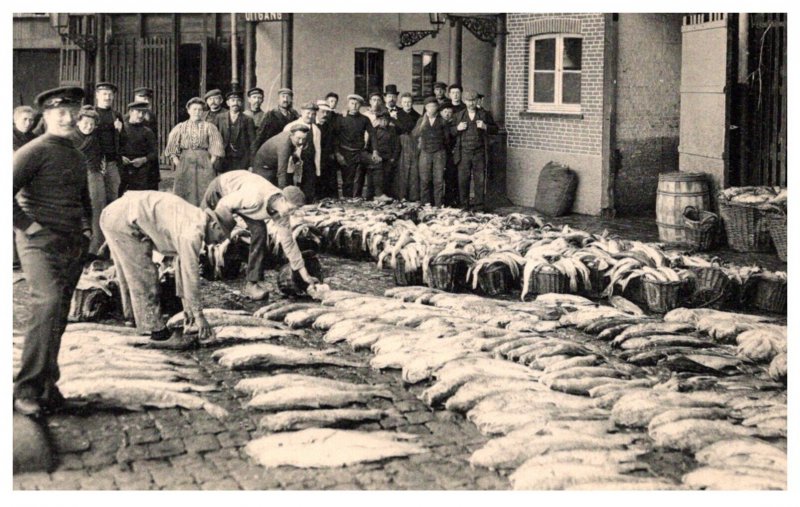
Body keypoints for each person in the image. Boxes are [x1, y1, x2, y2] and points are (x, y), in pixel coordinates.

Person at [13, 86, 92, 416]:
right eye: (59, 112)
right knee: (45, 305)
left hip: (71, 242)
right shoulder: (33, 150)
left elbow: (84, 198)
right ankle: (26, 389)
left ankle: (47, 384)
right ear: (44, 117)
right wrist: (30, 228)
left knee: (59, 312)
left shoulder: (74, 152)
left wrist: (87, 230)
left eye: (72, 110)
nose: (67, 117)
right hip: (38, 243)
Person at [100, 191, 233, 349]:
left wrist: (188, 310)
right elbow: (191, 275)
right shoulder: (192, 233)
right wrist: (199, 315)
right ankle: (157, 334)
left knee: (129, 272)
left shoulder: (195, 216)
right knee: (143, 276)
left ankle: (132, 320)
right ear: (214, 225)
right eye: (221, 236)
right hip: (122, 220)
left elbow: (181, 267)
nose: (219, 242)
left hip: (118, 212)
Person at [201, 171, 319, 300]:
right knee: (204, 228)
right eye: (291, 209)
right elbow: (225, 203)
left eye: (295, 210)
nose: (292, 213)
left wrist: (305, 274)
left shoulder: (282, 214)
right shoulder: (255, 197)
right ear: (282, 199)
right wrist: (223, 231)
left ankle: (252, 284)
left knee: (260, 232)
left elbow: (289, 243)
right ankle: (194, 267)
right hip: (221, 189)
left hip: (242, 203)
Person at [164, 97, 225, 206]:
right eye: (194, 109)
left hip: (204, 160)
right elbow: (172, 146)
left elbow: (216, 145)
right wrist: (177, 162)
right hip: (185, 160)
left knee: (205, 187)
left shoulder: (209, 127)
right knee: (184, 188)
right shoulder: (181, 127)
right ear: (188, 111)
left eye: (200, 110)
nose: (197, 112)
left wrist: (211, 162)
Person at [451, 90, 498, 210]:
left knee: (479, 180)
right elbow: (450, 132)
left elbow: (495, 129)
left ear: (477, 101)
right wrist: (457, 128)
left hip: (479, 152)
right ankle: (464, 206)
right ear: (464, 101)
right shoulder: (459, 115)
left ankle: (479, 207)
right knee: (463, 180)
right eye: (468, 101)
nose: (471, 103)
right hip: (464, 153)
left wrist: (485, 126)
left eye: (473, 100)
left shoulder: (484, 114)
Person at [69, 106, 106, 255]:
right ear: (78, 122)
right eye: (85, 123)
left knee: (97, 210)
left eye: (92, 124)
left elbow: (101, 156)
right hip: (74, 177)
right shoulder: (69, 137)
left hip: (94, 175)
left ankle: (95, 250)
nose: (88, 127)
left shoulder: (95, 138)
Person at [13, 105, 40, 270]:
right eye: (24, 119)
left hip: (27, 181)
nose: (28, 123)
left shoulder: (32, 137)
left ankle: (22, 257)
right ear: (15, 120)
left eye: (31, 120)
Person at [252, 124, 312, 192]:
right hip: (264, 169)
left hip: (273, 165)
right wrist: (283, 193)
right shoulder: (284, 146)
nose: (301, 142)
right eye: (298, 138)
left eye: (303, 139)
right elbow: (281, 172)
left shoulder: (291, 136)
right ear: (291, 136)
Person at [412, 97, 450, 206]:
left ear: (437, 107)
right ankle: (425, 204)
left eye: (434, 106)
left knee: (438, 180)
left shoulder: (442, 121)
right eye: (429, 106)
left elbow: (447, 138)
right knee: (424, 179)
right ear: (425, 107)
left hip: (439, 153)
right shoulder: (421, 120)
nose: (431, 109)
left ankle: (438, 204)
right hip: (425, 152)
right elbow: (414, 134)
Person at [333, 94, 372, 197]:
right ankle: (347, 200)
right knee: (347, 179)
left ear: (360, 106)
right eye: (352, 103)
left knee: (371, 168)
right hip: (346, 152)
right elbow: (335, 137)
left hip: (360, 152)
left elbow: (373, 135)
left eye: (357, 104)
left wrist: (375, 152)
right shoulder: (341, 118)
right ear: (348, 105)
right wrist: (338, 154)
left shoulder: (365, 119)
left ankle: (363, 196)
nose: (354, 106)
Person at [283, 102, 321, 202]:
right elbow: (284, 147)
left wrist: (317, 169)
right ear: (302, 112)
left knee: (308, 192)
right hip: (293, 164)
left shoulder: (316, 130)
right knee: (292, 191)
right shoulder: (290, 126)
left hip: (308, 165)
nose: (310, 116)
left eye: (313, 114)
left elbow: (318, 150)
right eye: (308, 113)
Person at [93, 82, 125, 200]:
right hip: (95, 163)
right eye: (104, 94)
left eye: (110, 94)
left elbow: (124, 140)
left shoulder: (116, 115)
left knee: (114, 195)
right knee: (97, 197)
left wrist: (120, 130)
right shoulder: (91, 113)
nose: (107, 97)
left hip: (112, 162)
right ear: (97, 95)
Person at [213, 90, 257, 173]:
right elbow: (213, 140)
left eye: (238, 101)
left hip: (241, 160)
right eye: (233, 100)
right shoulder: (219, 118)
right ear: (227, 103)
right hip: (223, 159)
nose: (235, 103)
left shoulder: (247, 120)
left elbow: (253, 143)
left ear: (241, 103)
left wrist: (251, 164)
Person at [120, 101, 159, 194]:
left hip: (141, 170)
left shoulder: (147, 132)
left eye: (144, 112)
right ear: (130, 112)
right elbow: (114, 147)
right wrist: (120, 157)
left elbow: (154, 152)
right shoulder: (121, 129)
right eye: (138, 112)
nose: (141, 115)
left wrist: (143, 159)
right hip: (122, 168)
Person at [128, 86, 160, 190]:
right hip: (130, 161)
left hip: (147, 157)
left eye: (147, 99)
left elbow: (154, 141)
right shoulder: (126, 119)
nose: (145, 100)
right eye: (142, 98)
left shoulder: (151, 117)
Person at [367, 108, 400, 200]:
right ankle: (371, 197)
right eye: (381, 120)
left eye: (386, 120)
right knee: (374, 179)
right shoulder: (374, 130)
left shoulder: (392, 130)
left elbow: (397, 145)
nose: (384, 122)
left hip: (388, 158)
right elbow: (369, 145)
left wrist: (393, 157)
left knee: (387, 178)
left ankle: (387, 197)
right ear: (378, 120)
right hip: (377, 159)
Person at [393, 92, 421, 201]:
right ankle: (401, 195)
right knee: (401, 169)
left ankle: (413, 196)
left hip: (413, 143)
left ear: (412, 103)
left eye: (409, 102)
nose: (407, 104)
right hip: (400, 143)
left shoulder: (417, 116)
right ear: (401, 103)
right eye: (405, 102)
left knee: (414, 169)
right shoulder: (396, 115)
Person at [253, 88, 299, 152]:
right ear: (278, 99)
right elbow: (260, 136)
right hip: (273, 150)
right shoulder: (270, 115)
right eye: (283, 97)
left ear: (291, 100)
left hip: (290, 150)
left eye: (288, 97)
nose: (285, 99)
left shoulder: (295, 115)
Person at [315, 100, 339, 199]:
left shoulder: (329, 126)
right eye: (322, 112)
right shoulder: (312, 125)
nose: (325, 114)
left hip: (327, 160)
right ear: (316, 112)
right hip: (315, 159)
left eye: (327, 112)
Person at [439, 101, 460, 207]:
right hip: (440, 154)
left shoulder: (454, 125)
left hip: (451, 155)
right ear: (441, 113)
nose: (447, 114)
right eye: (445, 112)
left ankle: (450, 200)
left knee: (451, 178)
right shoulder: (439, 124)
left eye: (450, 112)